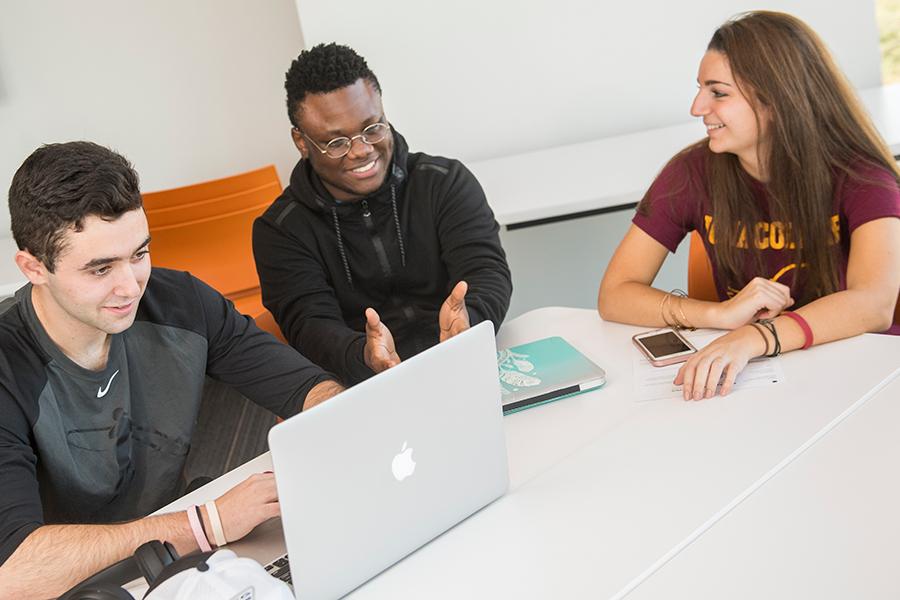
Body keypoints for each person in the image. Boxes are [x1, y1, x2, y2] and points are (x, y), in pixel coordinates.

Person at [0, 142, 344, 598]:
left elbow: (308, 388)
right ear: (34, 267)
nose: (131, 286)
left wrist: (332, 426)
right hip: (77, 587)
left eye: (139, 254)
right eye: (100, 269)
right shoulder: (7, 363)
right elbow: (16, 570)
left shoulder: (180, 300)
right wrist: (209, 522)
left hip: (185, 566)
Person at [598, 11, 900, 401]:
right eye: (700, 89)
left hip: (860, 375)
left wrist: (754, 338)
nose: (697, 107)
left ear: (776, 100)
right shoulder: (691, 171)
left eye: (718, 93)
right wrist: (718, 315)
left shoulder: (862, 176)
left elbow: (873, 303)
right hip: (758, 379)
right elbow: (615, 294)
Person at [253, 43, 513, 386]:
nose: (361, 150)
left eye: (372, 128)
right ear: (301, 142)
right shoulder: (281, 231)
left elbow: (486, 270)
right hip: (366, 384)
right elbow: (309, 325)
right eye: (336, 143)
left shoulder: (444, 182)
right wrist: (365, 354)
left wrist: (471, 321)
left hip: (467, 360)